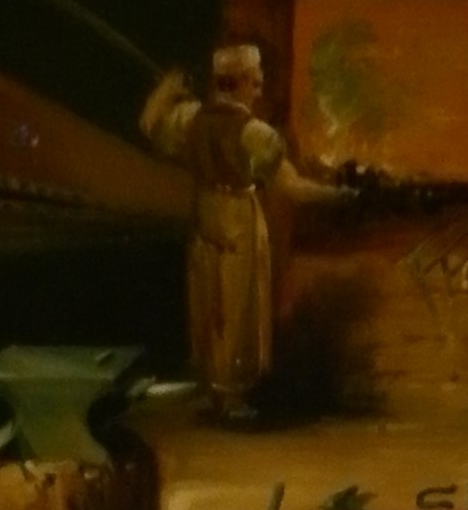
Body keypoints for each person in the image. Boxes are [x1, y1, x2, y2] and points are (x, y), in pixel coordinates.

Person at [136, 39, 332, 420]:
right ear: (240, 82)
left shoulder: (190, 116)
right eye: (255, 83)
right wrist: (341, 194)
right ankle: (232, 397)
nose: (258, 91)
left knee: (209, 298)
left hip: (205, 209)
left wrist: (166, 91)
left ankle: (213, 388)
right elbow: (292, 188)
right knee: (238, 305)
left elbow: (148, 124)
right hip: (238, 214)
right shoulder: (255, 133)